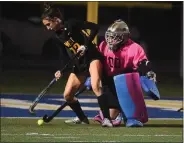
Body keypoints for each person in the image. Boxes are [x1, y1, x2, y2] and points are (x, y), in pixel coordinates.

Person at [41, 4, 113, 127]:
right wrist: (61, 70)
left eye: (48, 24)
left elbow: (95, 27)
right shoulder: (57, 36)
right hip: (79, 64)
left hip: (92, 57)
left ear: (55, 20)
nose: (48, 28)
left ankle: (107, 119)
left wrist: (85, 44)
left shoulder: (72, 24)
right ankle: (82, 118)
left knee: (96, 85)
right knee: (68, 95)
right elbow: (64, 55)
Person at [93, 19, 156, 126]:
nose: (111, 39)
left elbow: (142, 63)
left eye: (116, 36)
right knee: (109, 114)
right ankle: (117, 111)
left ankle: (126, 112)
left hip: (125, 83)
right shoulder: (103, 45)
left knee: (113, 115)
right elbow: (97, 62)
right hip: (109, 81)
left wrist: (148, 72)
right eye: (110, 36)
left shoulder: (134, 48)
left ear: (125, 37)